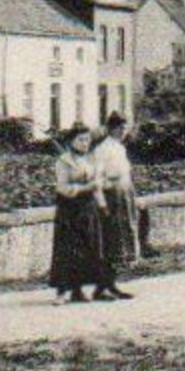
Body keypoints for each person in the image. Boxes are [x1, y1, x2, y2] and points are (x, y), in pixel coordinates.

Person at [49, 124, 117, 303]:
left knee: (88, 248)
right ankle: (62, 292)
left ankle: (78, 290)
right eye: (80, 139)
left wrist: (102, 206)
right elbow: (62, 188)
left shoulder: (91, 160)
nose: (85, 143)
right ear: (71, 141)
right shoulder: (64, 161)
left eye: (87, 139)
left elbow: (97, 186)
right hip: (69, 209)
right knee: (68, 249)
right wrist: (85, 188)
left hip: (88, 209)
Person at [93, 112, 139, 298]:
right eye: (119, 128)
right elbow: (96, 178)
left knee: (120, 240)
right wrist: (102, 203)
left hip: (124, 196)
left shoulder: (119, 148)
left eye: (124, 128)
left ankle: (111, 284)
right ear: (110, 129)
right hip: (111, 197)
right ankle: (101, 287)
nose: (123, 132)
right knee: (110, 240)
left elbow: (125, 174)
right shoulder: (102, 150)